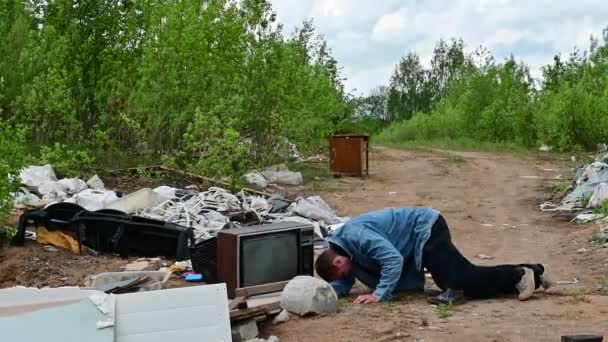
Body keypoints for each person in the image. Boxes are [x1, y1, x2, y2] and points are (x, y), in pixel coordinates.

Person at [315, 207, 553, 304]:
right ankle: (533, 273)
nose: (349, 277)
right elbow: (343, 280)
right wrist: (329, 294)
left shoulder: (356, 236)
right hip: (421, 237)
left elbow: (392, 259)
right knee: (454, 284)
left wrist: (379, 294)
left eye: (343, 273)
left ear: (338, 260)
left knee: (458, 283)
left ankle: (520, 274)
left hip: (426, 229)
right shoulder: (342, 250)